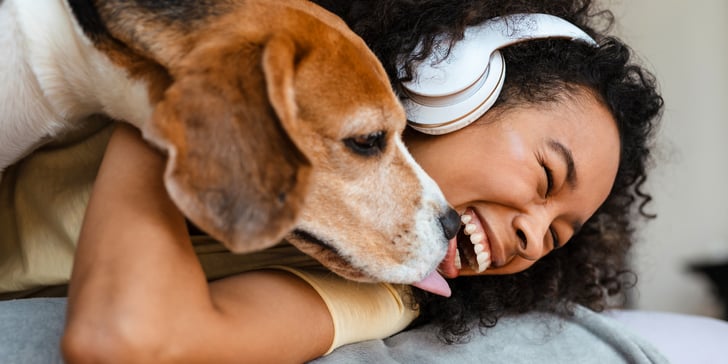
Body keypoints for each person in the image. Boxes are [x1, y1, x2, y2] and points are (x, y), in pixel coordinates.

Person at [0, 0, 663, 363]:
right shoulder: (288, 48)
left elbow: (125, 340)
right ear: (452, 85)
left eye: (560, 235)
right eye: (547, 179)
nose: (533, 235)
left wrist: (191, 104)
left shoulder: (387, 293)